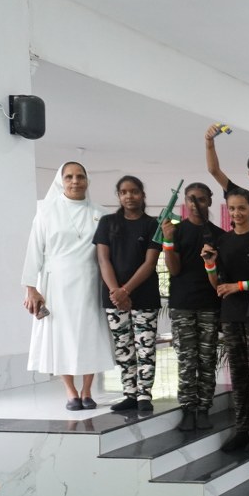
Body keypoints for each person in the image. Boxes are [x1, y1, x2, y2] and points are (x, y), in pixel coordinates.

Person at [23, 161, 116, 410]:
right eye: (69, 177)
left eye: (80, 176)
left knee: (90, 335)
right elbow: (34, 249)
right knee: (61, 336)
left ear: (87, 180)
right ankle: (70, 390)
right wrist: (30, 287)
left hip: (90, 282)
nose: (75, 181)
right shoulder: (46, 211)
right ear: (60, 181)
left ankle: (87, 390)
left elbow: (108, 254)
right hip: (56, 284)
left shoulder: (101, 213)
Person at [205, 190, 249, 451]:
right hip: (230, 315)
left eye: (241, 208)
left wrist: (240, 286)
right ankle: (242, 429)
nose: (237, 213)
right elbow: (218, 285)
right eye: (232, 208)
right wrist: (210, 265)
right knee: (239, 374)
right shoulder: (223, 241)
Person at [94, 175, 161, 412]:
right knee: (123, 346)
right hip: (114, 297)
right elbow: (103, 260)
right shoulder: (107, 222)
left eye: (134, 191)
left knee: (145, 347)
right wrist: (116, 292)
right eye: (124, 192)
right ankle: (130, 394)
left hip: (144, 295)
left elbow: (150, 263)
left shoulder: (152, 224)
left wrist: (125, 291)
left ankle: (144, 396)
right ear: (119, 196)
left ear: (142, 194)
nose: (129, 196)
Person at [162, 183, 224, 431]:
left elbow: (221, 276)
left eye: (201, 199)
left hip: (210, 304)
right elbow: (174, 269)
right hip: (183, 305)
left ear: (209, 201)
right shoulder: (176, 231)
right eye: (191, 199)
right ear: (185, 202)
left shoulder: (219, 234)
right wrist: (168, 241)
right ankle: (188, 409)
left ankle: (204, 408)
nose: (196, 203)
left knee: (207, 359)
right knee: (187, 360)